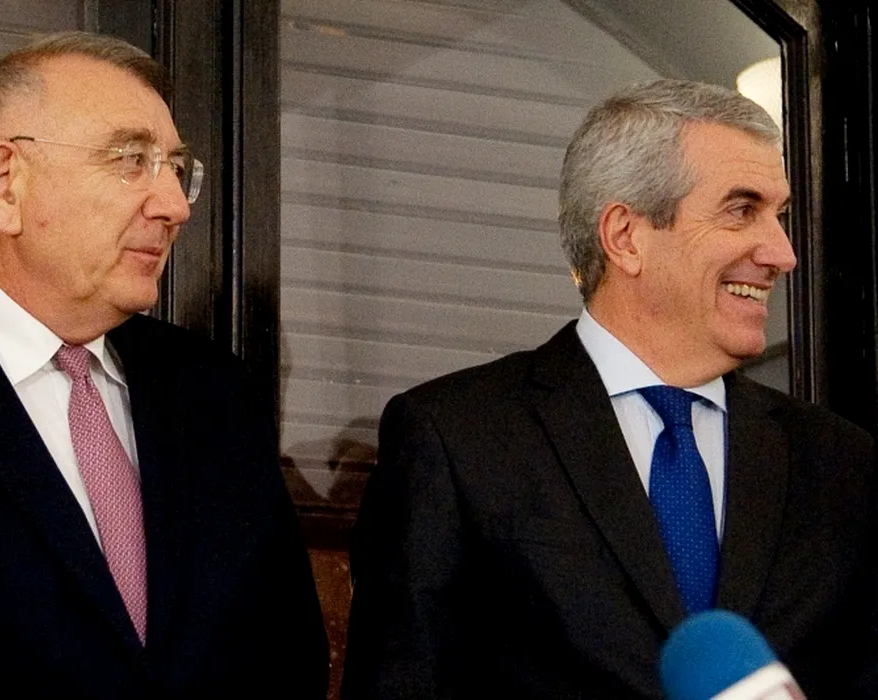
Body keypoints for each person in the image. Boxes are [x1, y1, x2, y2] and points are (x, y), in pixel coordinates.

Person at [0, 32, 328, 697]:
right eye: (131, 160)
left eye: (177, 168)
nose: (175, 206)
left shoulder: (214, 392)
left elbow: (287, 657)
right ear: (5, 183)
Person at [340, 79, 877, 699]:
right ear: (625, 236)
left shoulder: (839, 463)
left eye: (778, 217)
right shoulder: (459, 439)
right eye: (741, 210)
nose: (783, 254)